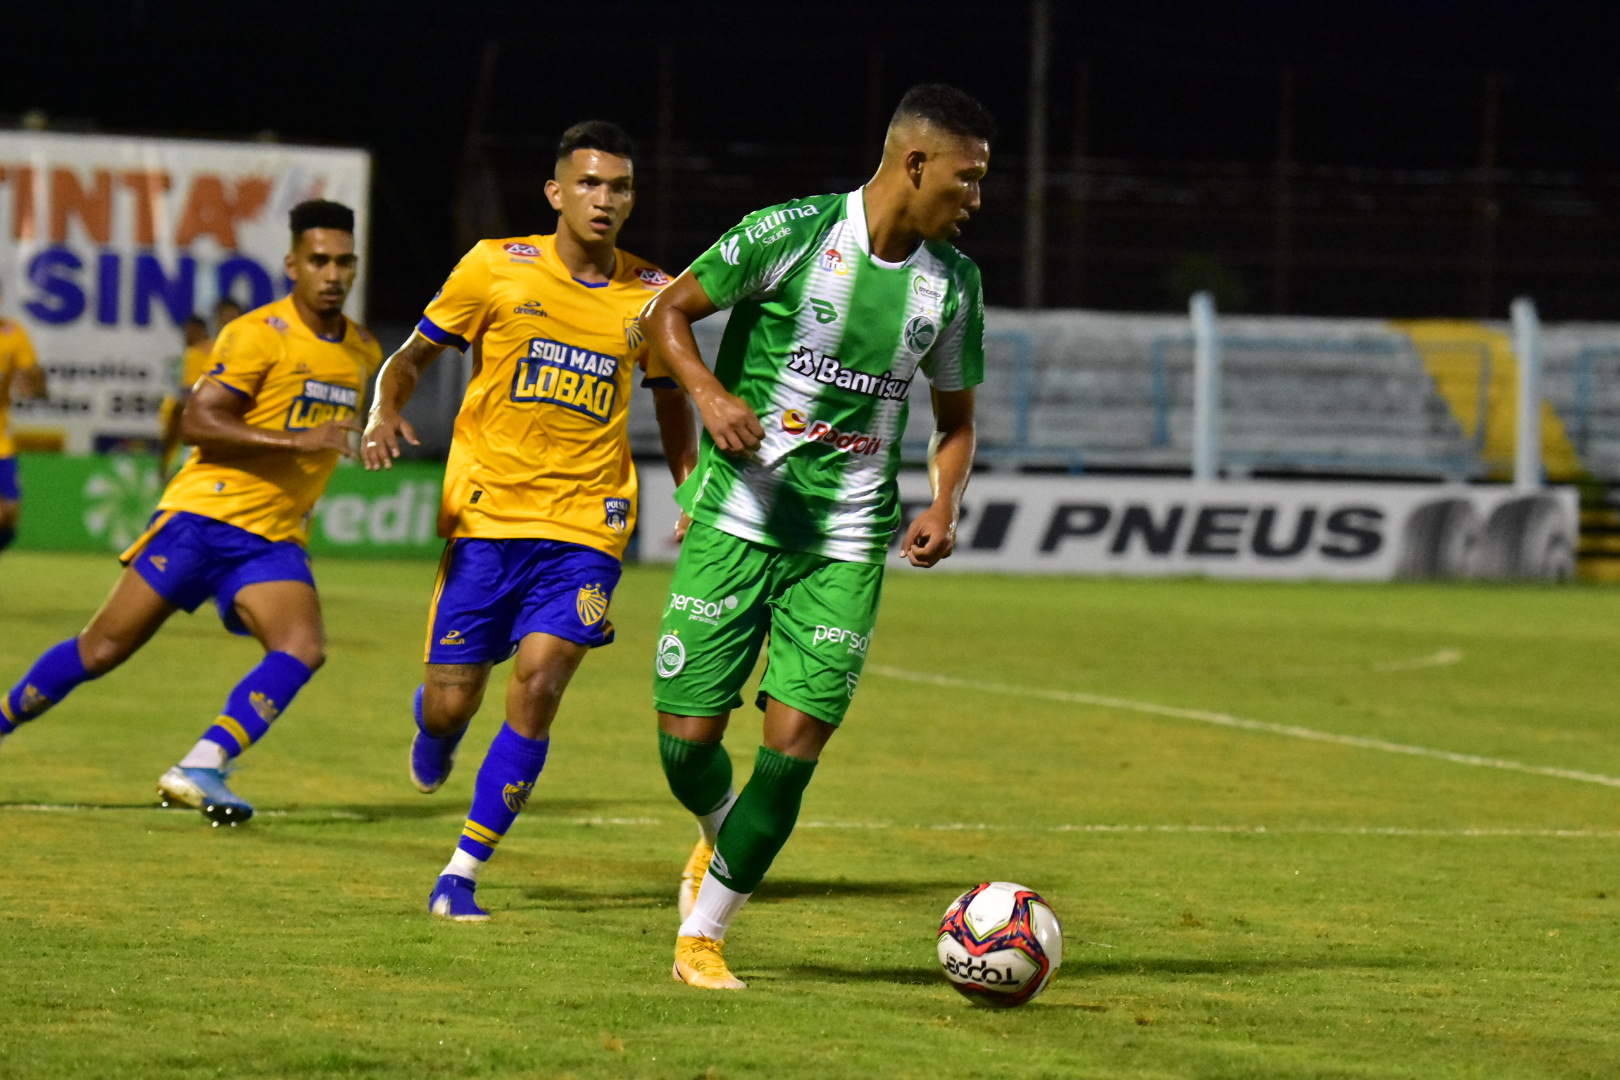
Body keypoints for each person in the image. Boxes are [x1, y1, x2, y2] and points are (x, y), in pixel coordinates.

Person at [640, 84, 994, 989]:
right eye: (967, 179)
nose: (976, 200)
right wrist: (713, 397)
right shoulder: (790, 234)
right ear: (915, 164)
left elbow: (954, 422)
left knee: (794, 743)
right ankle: (722, 833)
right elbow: (664, 314)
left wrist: (942, 504)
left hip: (846, 540)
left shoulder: (954, 286)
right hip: (737, 520)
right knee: (685, 747)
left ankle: (705, 936)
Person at [362, 121, 697, 921]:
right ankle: (436, 729)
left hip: (588, 524)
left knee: (540, 681)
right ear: (555, 193)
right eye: (589, 184)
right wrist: (382, 410)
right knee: (452, 701)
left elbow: (670, 396)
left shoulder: (653, 292)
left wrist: (690, 487)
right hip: (487, 517)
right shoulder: (492, 268)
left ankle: (461, 871)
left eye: (618, 187)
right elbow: (411, 355)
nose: (604, 200)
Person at [0, 201, 381, 825]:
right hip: (203, 519)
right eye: (318, 260)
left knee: (303, 647)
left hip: (271, 537)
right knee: (101, 650)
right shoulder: (259, 334)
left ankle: (202, 764)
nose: (332, 273)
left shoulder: (363, 350)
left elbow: (381, 396)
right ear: (293, 264)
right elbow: (202, 422)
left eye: (343, 261)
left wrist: (382, 422)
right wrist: (297, 441)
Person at [161, 298, 244, 474]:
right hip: (205, 438)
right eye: (225, 317)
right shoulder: (199, 353)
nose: (230, 322)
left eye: (235, 317)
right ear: (217, 320)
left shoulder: (255, 354)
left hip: (239, 439)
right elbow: (188, 400)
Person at [0, 285, 46, 557]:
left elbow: (35, 380)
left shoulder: (13, 333)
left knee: (10, 516)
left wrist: (30, 383)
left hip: (2, 440)